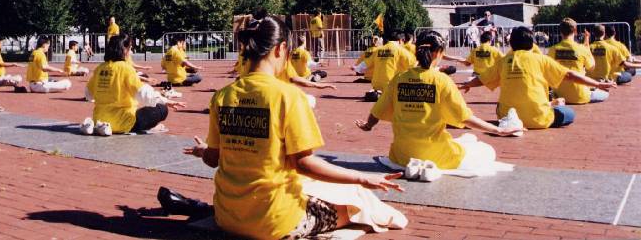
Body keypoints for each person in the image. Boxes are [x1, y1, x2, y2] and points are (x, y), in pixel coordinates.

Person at [182, 13, 407, 239]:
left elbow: (213, 159)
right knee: (355, 209)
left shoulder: (223, 96)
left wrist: (203, 150)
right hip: (274, 221)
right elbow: (304, 164)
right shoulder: (288, 96)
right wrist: (362, 178)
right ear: (280, 49)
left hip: (227, 216)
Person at [356, 32, 520, 176]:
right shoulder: (442, 80)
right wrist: (498, 130)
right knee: (487, 151)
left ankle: (418, 164)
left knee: (466, 140)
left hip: (401, 156)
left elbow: (377, 111)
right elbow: (464, 118)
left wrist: (368, 126)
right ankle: (430, 165)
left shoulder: (398, 79)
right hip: (436, 154)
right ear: (438, 53)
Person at [459, 27, 616, 129]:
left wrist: (468, 85)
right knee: (569, 114)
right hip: (539, 118)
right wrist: (597, 84)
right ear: (531, 43)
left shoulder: (503, 61)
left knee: (501, 105)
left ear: (512, 44)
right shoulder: (541, 59)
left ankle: (548, 104)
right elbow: (569, 75)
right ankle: (550, 105)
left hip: (508, 117)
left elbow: (483, 79)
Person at [80, 33, 185, 136]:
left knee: (141, 103)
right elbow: (143, 93)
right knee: (162, 109)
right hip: (123, 121)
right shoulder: (125, 68)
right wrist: (165, 101)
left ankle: (101, 126)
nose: (131, 52)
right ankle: (147, 127)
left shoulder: (100, 68)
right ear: (124, 50)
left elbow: (88, 95)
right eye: (130, 48)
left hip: (100, 118)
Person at [547, 19, 606, 104]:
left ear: (560, 32)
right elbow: (591, 68)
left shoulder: (552, 50)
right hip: (580, 96)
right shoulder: (582, 49)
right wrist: (588, 50)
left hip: (560, 95)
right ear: (575, 31)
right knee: (605, 93)